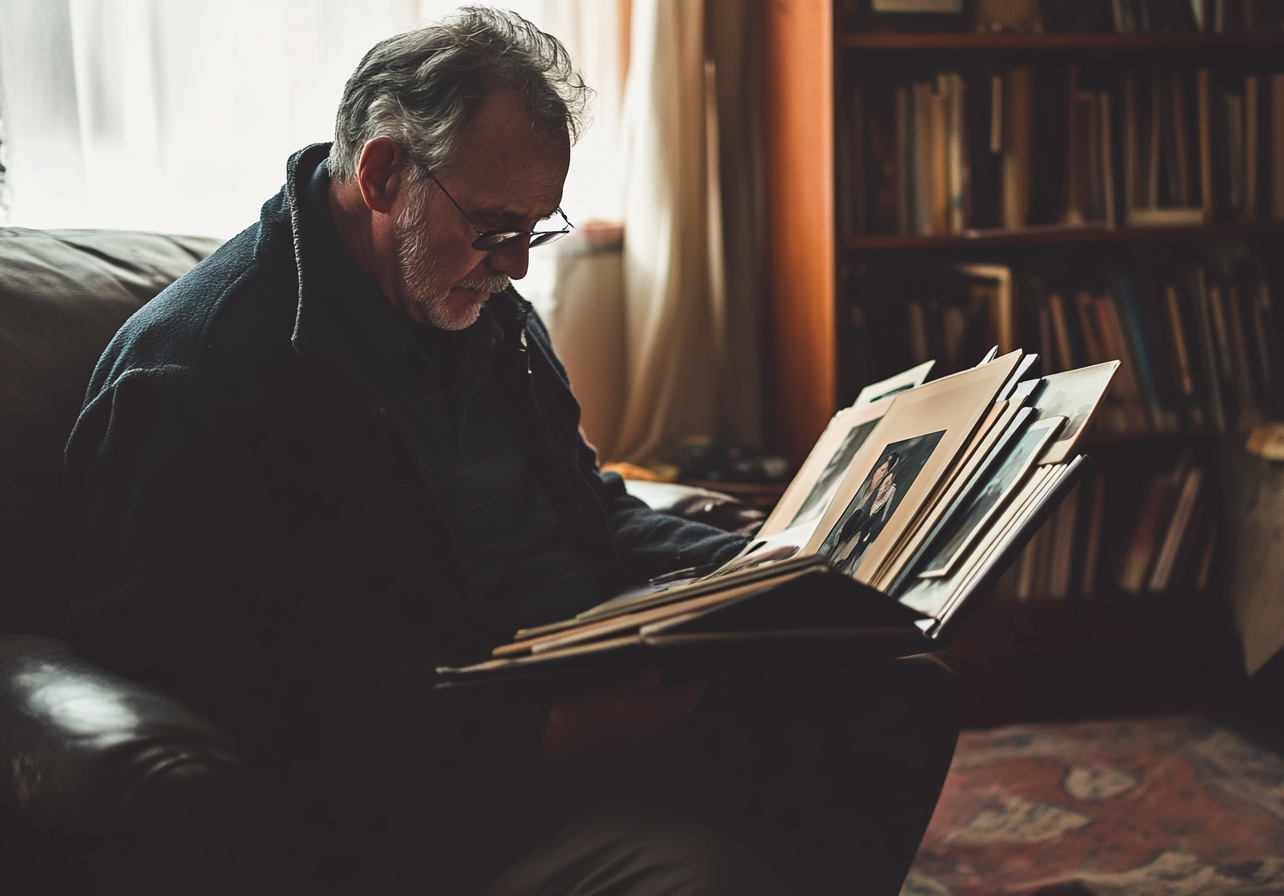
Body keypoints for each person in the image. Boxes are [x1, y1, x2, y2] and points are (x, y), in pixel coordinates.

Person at [64, 8, 960, 894]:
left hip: (605, 689)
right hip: (438, 782)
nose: (520, 266)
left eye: (537, 229)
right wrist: (539, 731)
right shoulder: (192, 377)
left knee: (898, 690)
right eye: (499, 228)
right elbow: (222, 689)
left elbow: (590, 507)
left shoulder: (475, 305)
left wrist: (772, 570)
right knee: (712, 876)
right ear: (383, 175)